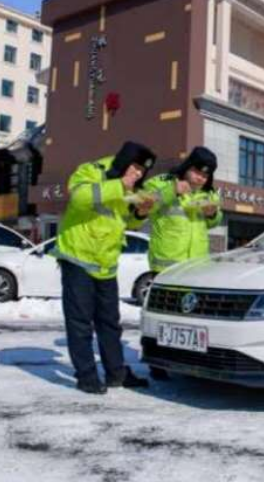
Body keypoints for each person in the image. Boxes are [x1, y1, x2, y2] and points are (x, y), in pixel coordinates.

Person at [53, 141, 156, 394]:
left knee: (110, 322)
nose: (139, 174)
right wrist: (119, 185)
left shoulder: (131, 186)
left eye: (143, 171)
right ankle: (86, 375)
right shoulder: (91, 170)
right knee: (80, 322)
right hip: (78, 256)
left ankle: (116, 373)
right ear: (123, 161)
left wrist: (141, 213)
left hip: (107, 262)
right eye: (135, 168)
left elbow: (125, 222)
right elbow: (78, 198)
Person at [143, 146, 222, 274]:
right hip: (166, 268)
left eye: (205, 175)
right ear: (187, 166)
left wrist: (212, 215)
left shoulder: (209, 193)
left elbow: (213, 223)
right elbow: (144, 204)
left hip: (197, 268)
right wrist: (172, 191)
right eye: (197, 172)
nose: (200, 178)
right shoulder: (163, 182)